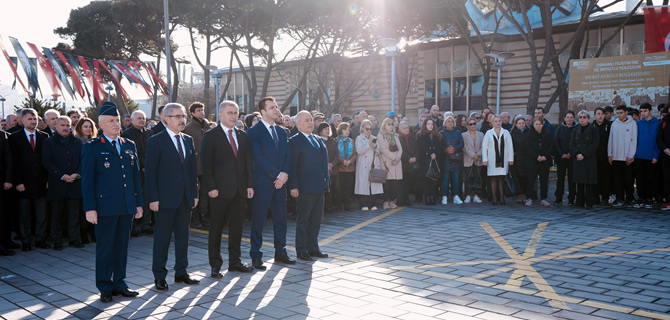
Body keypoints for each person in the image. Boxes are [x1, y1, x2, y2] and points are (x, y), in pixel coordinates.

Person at [81, 102, 143, 303]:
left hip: (126, 205)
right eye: (111, 121)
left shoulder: (129, 145)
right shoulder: (92, 147)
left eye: (117, 120)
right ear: (101, 124)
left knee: (122, 247)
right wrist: (90, 208)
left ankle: (120, 282)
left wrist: (139, 203)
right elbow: (88, 181)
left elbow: (135, 179)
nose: (116, 124)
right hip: (105, 207)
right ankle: (105, 285)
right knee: (106, 247)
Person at [145, 103, 200, 291]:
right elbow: (150, 173)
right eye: (177, 116)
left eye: (183, 116)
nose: (182, 119)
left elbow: (192, 170)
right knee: (163, 238)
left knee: (183, 237)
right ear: (166, 119)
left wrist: (194, 193)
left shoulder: (187, 140)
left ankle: (181, 272)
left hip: (185, 198)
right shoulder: (156, 141)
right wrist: (153, 198)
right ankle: (159, 276)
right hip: (164, 199)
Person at [201, 101, 255, 277]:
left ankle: (235, 262)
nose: (234, 116)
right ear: (220, 115)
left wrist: (249, 185)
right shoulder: (211, 136)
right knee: (216, 229)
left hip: (239, 191)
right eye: (230, 113)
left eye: (236, 113)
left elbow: (247, 162)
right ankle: (215, 264)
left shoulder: (242, 135)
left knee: (237, 228)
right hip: (219, 191)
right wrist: (211, 187)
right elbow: (206, 164)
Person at [247, 96, 295, 270]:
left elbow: (288, 155)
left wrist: (284, 176)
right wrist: (277, 174)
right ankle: (256, 255)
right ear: (263, 111)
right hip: (262, 182)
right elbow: (257, 158)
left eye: (276, 107)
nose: (276, 109)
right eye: (272, 107)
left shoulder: (282, 131)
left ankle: (280, 252)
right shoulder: (253, 132)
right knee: (258, 219)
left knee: (281, 218)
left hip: (280, 183)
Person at [289, 111, 330, 261]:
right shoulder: (294, 141)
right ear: (298, 124)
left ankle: (313, 247)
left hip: (319, 186)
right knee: (303, 220)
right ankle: (301, 249)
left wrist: (326, 181)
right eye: (306, 120)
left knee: (316, 220)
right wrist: (293, 186)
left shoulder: (318, 139)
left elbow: (323, 163)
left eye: (311, 120)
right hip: (304, 187)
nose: (310, 122)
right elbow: (292, 166)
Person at [9, 108, 49, 251]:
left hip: (41, 182)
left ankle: (40, 238)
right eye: (30, 119)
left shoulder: (44, 137)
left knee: (41, 214)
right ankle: (25, 240)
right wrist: (18, 181)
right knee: (24, 215)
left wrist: (48, 179)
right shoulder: (14, 137)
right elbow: (13, 162)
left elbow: (47, 160)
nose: (33, 122)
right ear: (22, 120)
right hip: (23, 184)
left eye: (35, 119)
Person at [42, 116, 84, 250]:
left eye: (68, 125)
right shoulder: (48, 142)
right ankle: (57, 240)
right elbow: (47, 161)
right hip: (57, 184)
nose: (66, 128)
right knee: (56, 214)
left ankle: (74, 238)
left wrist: (77, 173)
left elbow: (83, 161)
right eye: (62, 125)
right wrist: (61, 175)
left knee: (74, 214)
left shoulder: (77, 142)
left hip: (74, 183)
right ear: (56, 127)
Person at [122, 110, 153, 236]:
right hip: (135, 170)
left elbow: (154, 151)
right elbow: (129, 153)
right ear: (133, 120)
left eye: (143, 118)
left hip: (149, 171)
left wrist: (150, 166)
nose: (141, 120)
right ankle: (135, 225)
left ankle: (146, 224)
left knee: (147, 197)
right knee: (135, 197)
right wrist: (143, 165)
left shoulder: (151, 133)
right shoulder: (126, 134)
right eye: (139, 118)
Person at [183, 101, 212, 228]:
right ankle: (194, 217)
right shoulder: (188, 128)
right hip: (194, 165)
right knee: (195, 191)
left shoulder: (208, 127)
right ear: (192, 113)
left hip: (207, 166)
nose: (201, 112)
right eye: (198, 110)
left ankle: (204, 215)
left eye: (202, 110)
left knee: (205, 191)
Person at [608, 105, 637, 207]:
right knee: (617, 180)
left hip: (627, 158)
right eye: (618, 113)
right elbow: (610, 140)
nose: (619, 115)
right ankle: (619, 198)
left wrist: (630, 155)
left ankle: (629, 198)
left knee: (628, 180)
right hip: (616, 157)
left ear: (626, 112)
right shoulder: (614, 124)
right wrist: (610, 154)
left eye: (621, 112)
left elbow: (634, 141)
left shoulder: (633, 124)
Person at [569, 110, 599, 209]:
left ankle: (589, 202)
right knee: (579, 181)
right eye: (580, 117)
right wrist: (577, 153)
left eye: (584, 117)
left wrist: (584, 154)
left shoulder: (593, 129)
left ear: (588, 119)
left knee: (589, 181)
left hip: (589, 158)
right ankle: (579, 201)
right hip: (578, 159)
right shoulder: (575, 130)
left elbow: (595, 144)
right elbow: (572, 144)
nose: (582, 119)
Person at [634, 103, 661, 209]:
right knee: (640, 179)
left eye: (645, 111)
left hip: (651, 156)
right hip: (639, 155)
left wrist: (656, 155)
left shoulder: (657, 123)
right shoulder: (638, 124)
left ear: (650, 111)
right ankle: (641, 198)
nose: (643, 113)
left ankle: (649, 199)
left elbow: (658, 141)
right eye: (641, 111)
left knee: (650, 179)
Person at [482, 115, 514, 205]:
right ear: (492, 123)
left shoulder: (506, 132)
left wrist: (510, 159)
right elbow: (484, 147)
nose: (498, 123)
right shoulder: (488, 133)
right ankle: (494, 198)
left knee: (501, 179)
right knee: (493, 178)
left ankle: (502, 197)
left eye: (499, 121)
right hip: (492, 159)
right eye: (495, 121)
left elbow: (510, 146)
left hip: (503, 159)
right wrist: (485, 159)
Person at [355, 119, 383, 211]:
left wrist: (375, 147)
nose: (369, 131)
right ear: (362, 128)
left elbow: (379, 151)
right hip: (363, 165)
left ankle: (373, 203)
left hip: (373, 164)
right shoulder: (359, 138)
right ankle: (363, 204)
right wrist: (369, 144)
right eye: (367, 129)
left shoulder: (374, 137)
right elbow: (359, 150)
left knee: (374, 184)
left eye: (370, 129)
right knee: (363, 185)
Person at [525, 118, 554, 207]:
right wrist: (536, 156)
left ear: (543, 125)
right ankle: (529, 198)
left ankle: (543, 198)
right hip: (533, 161)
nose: (538, 126)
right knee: (530, 180)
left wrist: (545, 156)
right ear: (533, 125)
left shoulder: (547, 134)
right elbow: (527, 148)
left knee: (544, 180)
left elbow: (551, 146)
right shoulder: (529, 134)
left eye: (540, 124)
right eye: (536, 124)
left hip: (544, 161)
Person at [417, 118, 443, 205]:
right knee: (426, 179)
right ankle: (427, 197)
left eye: (432, 124)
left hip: (435, 159)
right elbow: (421, 147)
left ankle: (433, 196)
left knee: (434, 179)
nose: (430, 126)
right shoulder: (421, 135)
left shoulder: (438, 135)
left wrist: (436, 153)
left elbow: (440, 146)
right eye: (428, 124)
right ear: (425, 125)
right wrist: (430, 153)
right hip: (425, 159)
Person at [377, 118, 402, 209]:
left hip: (397, 162)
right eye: (389, 124)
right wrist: (394, 157)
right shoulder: (381, 135)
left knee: (395, 182)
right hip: (387, 161)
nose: (391, 126)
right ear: (384, 125)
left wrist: (398, 157)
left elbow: (400, 148)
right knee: (387, 182)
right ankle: (385, 201)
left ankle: (392, 200)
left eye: (392, 124)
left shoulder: (395, 135)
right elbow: (383, 149)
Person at [553, 111, 577, 206]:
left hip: (572, 158)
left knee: (572, 180)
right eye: (567, 117)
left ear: (574, 118)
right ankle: (558, 198)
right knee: (560, 179)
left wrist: (571, 154)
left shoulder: (577, 129)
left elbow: (576, 143)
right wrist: (561, 154)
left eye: (571, 117)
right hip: (561, 158)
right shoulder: (559, 129)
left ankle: (571, 199)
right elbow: (556, 142)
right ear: (564, 118)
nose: (569, 119)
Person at [441, 116, 464, 205]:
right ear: (445, 123)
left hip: (456, 159)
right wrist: (445, 149)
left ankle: (456, 196)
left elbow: (461, 143)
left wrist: (455, 148)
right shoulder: (442, 133)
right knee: (445, 179)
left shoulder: (458, 133)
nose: (450, 123)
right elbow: (440, 145)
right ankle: (444, 196)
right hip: (445, 159)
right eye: (448, 121)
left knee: (456, 179)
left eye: (451, 121)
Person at [317, 122, 339, 212]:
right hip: (322, 170)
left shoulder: (333, 141)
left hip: (332, 169)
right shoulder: (317, 140)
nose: (327, 131)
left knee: (332, 188)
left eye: (328, 129)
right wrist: (325, 164)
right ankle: (323, 207)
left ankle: (330, 206)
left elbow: (336, 155)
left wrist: (332, 164)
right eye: (325, 129)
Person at [592, 107, 612, 206]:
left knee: (606, 178)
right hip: (594, 157)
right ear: (595, 115)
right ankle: (596, 197)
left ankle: (605, 197)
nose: (600, 116)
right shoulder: (591, 126)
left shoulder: (609, 126)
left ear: (604, 115)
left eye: (602, 114)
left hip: (606, 157)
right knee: (595, 178)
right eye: (598, 113)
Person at [462, 117, 483, 204]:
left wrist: (478, 154)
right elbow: (464, 147)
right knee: (468, 178)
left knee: (477, 178)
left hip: (478, 159)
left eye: (474, 123)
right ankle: (467, 195)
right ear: (467, 125)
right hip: (468, 159)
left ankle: (476, 195)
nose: (473, 125)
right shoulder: (463, 135)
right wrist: (473, 155)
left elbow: (484, 146)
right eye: (471, 124)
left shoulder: (481, 134)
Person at [336, 123, 357, 211]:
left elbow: (355, 154)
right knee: (340, 187)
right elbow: (336, 153)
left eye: (348, 130)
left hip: (350, 167)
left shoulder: (351, 141)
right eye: (345, 130)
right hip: (340, 168)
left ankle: (347, 205)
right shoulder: (336, 140)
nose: (347, 132)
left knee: (349, 187)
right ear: (341, 130)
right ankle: (339, 205)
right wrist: (342, 161)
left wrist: (350, 161)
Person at [398, 121, 419, 206]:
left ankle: (407, 200)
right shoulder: (398, 138)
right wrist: (408, 158)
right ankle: (401, 200)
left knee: (408, 184)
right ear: (399, 129)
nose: (406, 130)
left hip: (411, 164)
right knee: (401, 184)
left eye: (407, 128)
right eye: (404, 128)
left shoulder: (412, 138)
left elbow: (417, 149)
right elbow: (400, 151)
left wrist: (415, 157)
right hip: (403, 163)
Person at [0, 129, 14, 256]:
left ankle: (5, 242)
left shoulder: (1, 135)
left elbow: (8, 159)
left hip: (2, 182)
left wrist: (8, 179)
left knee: (4, 214)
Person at [510, 116, 529, 203]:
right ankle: (519, 194)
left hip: (527, 158)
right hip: (517, 159)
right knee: (517, 177)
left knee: (525, 177)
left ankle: (524, 194)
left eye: (523, 123)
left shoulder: (529, 132)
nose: (521, 125)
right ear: (516, 124)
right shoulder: (512, 133)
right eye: (519, 123)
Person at [657, 112, 670, 210]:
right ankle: (668, 201)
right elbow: (659, 138)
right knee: (667, 179)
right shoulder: (664, 121)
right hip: (666, 155)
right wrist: (665, 149)